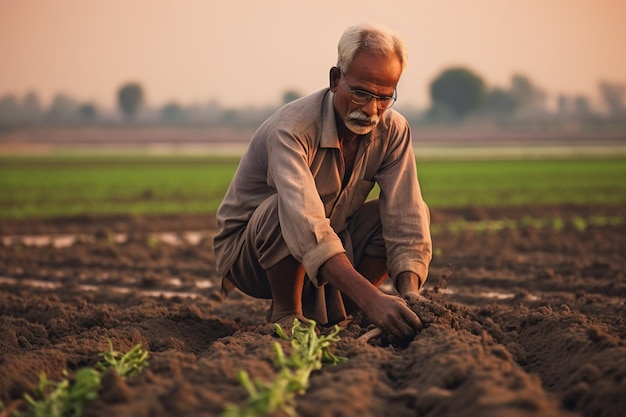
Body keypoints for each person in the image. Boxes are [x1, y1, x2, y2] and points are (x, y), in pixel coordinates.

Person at [213, 23, 432, 343]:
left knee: (412, 211)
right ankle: (287, 312)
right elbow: (304, 220)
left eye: (384, 98)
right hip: (253, 255)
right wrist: (375, 300)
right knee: (282, 208)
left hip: (332, 238)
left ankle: (354, 311)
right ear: (335, 79)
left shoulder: (393, 130)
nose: (371, 109)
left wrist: (409, 294)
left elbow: (405, 214)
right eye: (360, 92)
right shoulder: (292, 129)